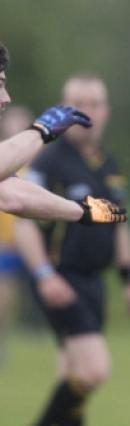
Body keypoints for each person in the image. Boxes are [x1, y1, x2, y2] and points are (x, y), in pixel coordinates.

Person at [8, 73, 130, 426]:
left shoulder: (109, 164)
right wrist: (43, 274)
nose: (90, 110)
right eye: (80, 102)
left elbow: (119, 222)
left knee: (74, 374)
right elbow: (22, 220)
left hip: (94, 279)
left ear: (107, 109)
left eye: (97, 102)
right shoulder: (49, 160)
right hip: (60, 277)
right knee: (93, 370)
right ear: (65, 108)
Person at [0, 42, 125, 224]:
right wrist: (41, 130)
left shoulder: (109, 161)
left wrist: (82, 210)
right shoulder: (50, 159)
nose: (6, 98)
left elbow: (13, 197)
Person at [0, 105, 33, 365]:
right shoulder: (4, 158)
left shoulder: (38, 160)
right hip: (7, 243)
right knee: (5, 299)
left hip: (34, 241)